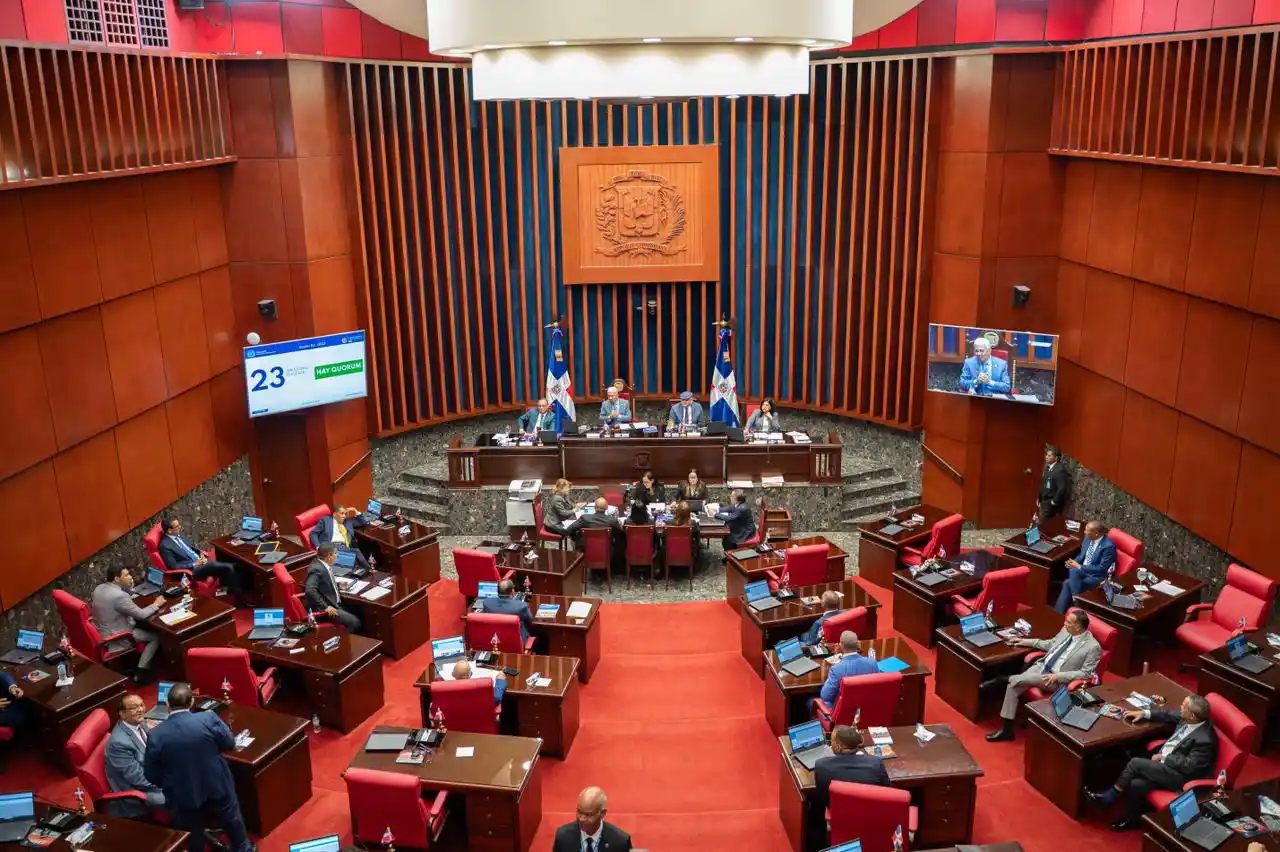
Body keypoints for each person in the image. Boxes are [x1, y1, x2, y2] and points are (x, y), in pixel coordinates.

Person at [144, 683, 256, 852]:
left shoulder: (155, 734)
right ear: (192, 702)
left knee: (192, 833)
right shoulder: (208, 718)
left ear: (167, 704)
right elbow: (229, 743)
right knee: (231, 818)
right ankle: (243, 849)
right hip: (216, 782)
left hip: (183, 792)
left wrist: (173, 781)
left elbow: (151, 774)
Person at [1087, 694, 1217, 830]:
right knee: (1137, 784)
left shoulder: (1206, 740)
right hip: (1165, 766)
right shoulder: (1190, 719)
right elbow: (1168, 713)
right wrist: (1143, 713)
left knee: (1135, 763)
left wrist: (1163, 757)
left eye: (1183, 707)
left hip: (1180, 777)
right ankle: (1132, 820)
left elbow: (1189, 766)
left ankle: (1110, 796)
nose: (1180, 707)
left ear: (1192, 716)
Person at [985, 609, 1101, 742]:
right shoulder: (1066, 631)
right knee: (1013, 685)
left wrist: (1059, 676)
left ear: (1078, 627)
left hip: (1055, 679)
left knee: (1016, 680)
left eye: (1068, 622)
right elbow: (1050, 644)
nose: (1064, 624)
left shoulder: (1093, 647)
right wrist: (1024, 641)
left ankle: (1001, 679)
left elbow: (1086, 673)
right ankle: (1007, 730)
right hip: (1042, 666)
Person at [92, 566, 162, 685]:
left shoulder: (99, 589)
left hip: (104, 632)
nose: (130, 577)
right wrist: (156, 604)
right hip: (119, 637)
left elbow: (120, 601)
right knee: (155, 637)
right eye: (127, 575)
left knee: (144, 626)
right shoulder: (118, 596)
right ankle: (141, 673)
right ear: (116, 579)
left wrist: (129, 588)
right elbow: (141, 615)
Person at [158, 517, 247, 606]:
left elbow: (191, 549)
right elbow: (173, 566)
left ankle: (231, 587)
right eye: (177, 526)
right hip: (192, 571)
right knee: (228, 567)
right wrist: (194, 564)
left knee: (234, 563)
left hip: (201, 562)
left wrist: (201, 555)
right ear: (169, 530)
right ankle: (240, 602)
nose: (180, 527)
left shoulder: (178, 535)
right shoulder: (165, 546)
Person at [104, 693, 166, 819]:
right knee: (183, 793)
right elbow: (138, 779)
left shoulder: (140, 723)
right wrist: (168, 781)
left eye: (142, 705)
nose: (140, 710)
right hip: (144, 790)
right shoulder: (118, 743)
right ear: (122, 714)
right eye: (134, 708)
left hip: (155, 772)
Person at [813, 725, 891, 814]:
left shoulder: (821, 765)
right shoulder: (876, 762)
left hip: (839, 815)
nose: (830, 744)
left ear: (839, 747)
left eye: (832, 741)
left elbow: (823, 798)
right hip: (870, 814)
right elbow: (887, 791)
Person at [1054, 522, 1117, 612]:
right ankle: (1060, 612)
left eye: (1087, 530)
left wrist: (1079, 566)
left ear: (1096, 533)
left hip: (1097, 577)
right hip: (1082, 572)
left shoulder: (1108, 546)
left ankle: (1077, 600)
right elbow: (1081, 556)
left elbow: (1102, 568)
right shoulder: (1088, 538)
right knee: (1071, 576)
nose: (1084, 532)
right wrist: (1073, 562)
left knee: (1069, 580)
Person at [552, 786, 633, 852]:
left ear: (602, 813)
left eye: (588, 815)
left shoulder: (620, 842)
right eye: (579, 812)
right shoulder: (563, 837)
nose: (581, 819)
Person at [303, 543, 362, 631]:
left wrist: (338, 585)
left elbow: (323, 583)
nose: (337, 555)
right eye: (336, 553)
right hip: (325, 609)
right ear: (329, 556)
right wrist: (326, 607)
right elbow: (310, 590)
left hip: (334, 603)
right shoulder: (316, 569)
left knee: (361, 611)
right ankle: (344, 639)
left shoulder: (322, 564)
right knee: (355, 622)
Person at [818, 631, 879, 706]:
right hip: (866, 707)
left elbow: (825, 696)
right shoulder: (873, 663)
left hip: (845, 710)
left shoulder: (836, 669)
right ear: (857, 644)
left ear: (841, 645)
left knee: (809, 701)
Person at [308, 505, 370, 569]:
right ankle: (369, 570)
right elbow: (313, 533)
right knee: (354, 557)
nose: (344, 516)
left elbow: (363, 522)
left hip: (344, 547)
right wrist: (318, 547)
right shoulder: (325, 520)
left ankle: (367, 570)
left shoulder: (347, 522)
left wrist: (355, 511)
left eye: (345, 514)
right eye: (342, 513)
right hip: (330, 547)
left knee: (357, 554)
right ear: (334, 514)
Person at [478, 579, 536, 644]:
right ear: (512, 592)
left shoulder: (487, 602)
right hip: (515, 642)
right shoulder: (521, 606)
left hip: (494, 640)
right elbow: (531, 626)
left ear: (497, 591)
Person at [1036, 445, 1070, 525]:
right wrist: (1039, 498)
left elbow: (1061, 488)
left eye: (1049, 455)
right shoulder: (1047, 467)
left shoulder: (1059, 470)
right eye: (1046, 455)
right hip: (1044, 500)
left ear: (1056, 458)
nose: (1046, 457)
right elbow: (1044, 484)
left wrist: (1053, 501)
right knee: (1042, 522)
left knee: (1042, 524)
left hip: (1050, 501)